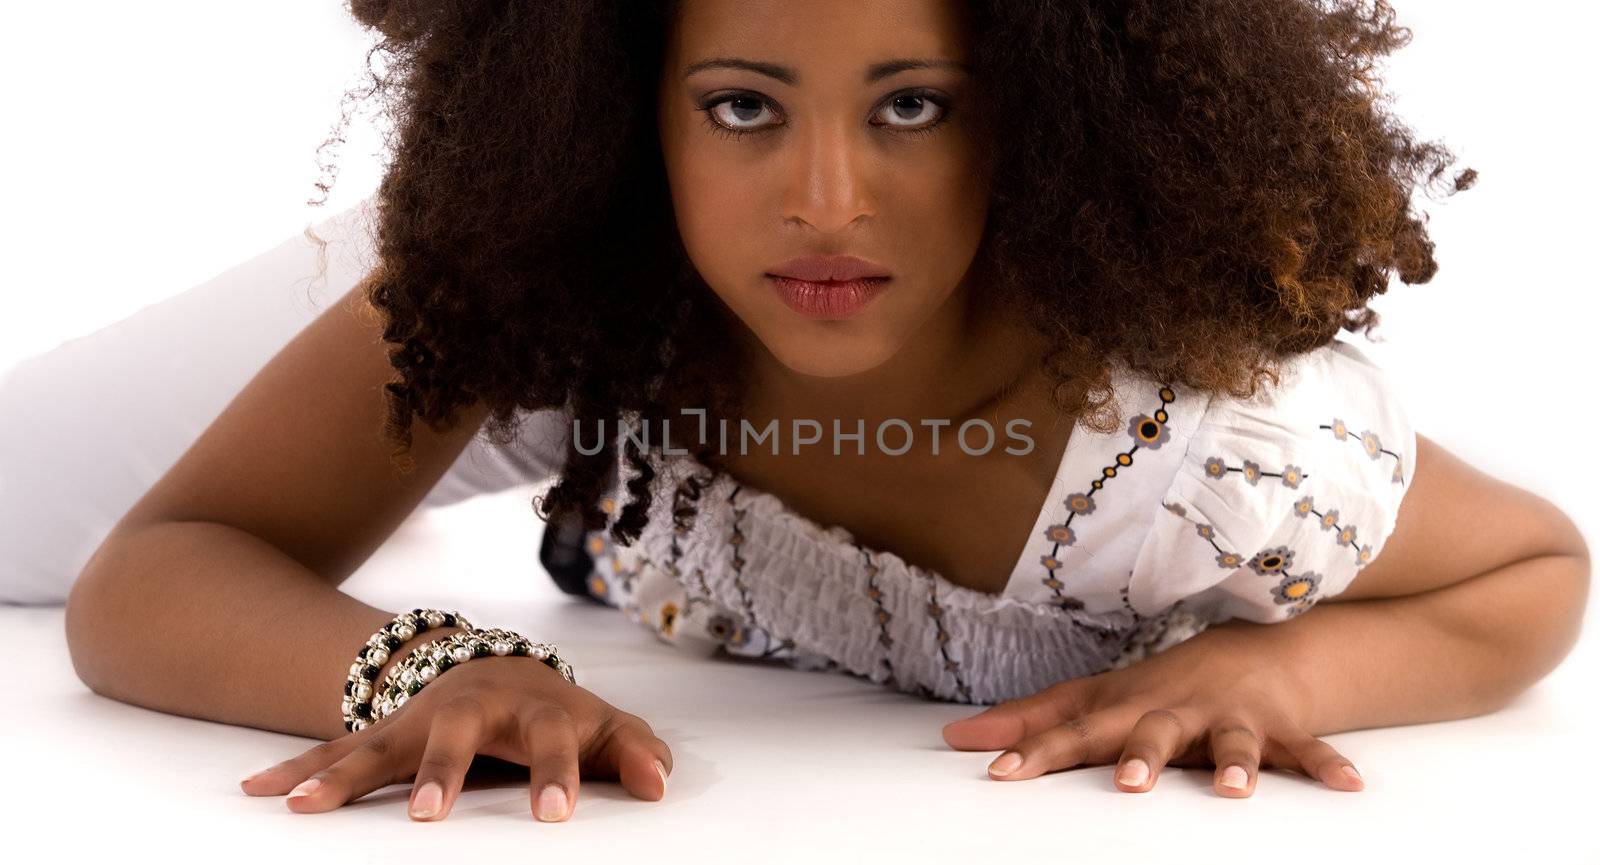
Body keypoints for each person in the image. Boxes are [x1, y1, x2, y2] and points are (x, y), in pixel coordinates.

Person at [41, 0, 1590, 827]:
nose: (827, 203)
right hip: (589, 322)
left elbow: (1534, 570)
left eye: (911, 105)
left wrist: (1289, 663)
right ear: (625, 114)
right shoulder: (535, 278)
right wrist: (432, 662)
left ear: (1028, 113)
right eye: (742, 106)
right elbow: (151, 570)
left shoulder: (1190, 458)